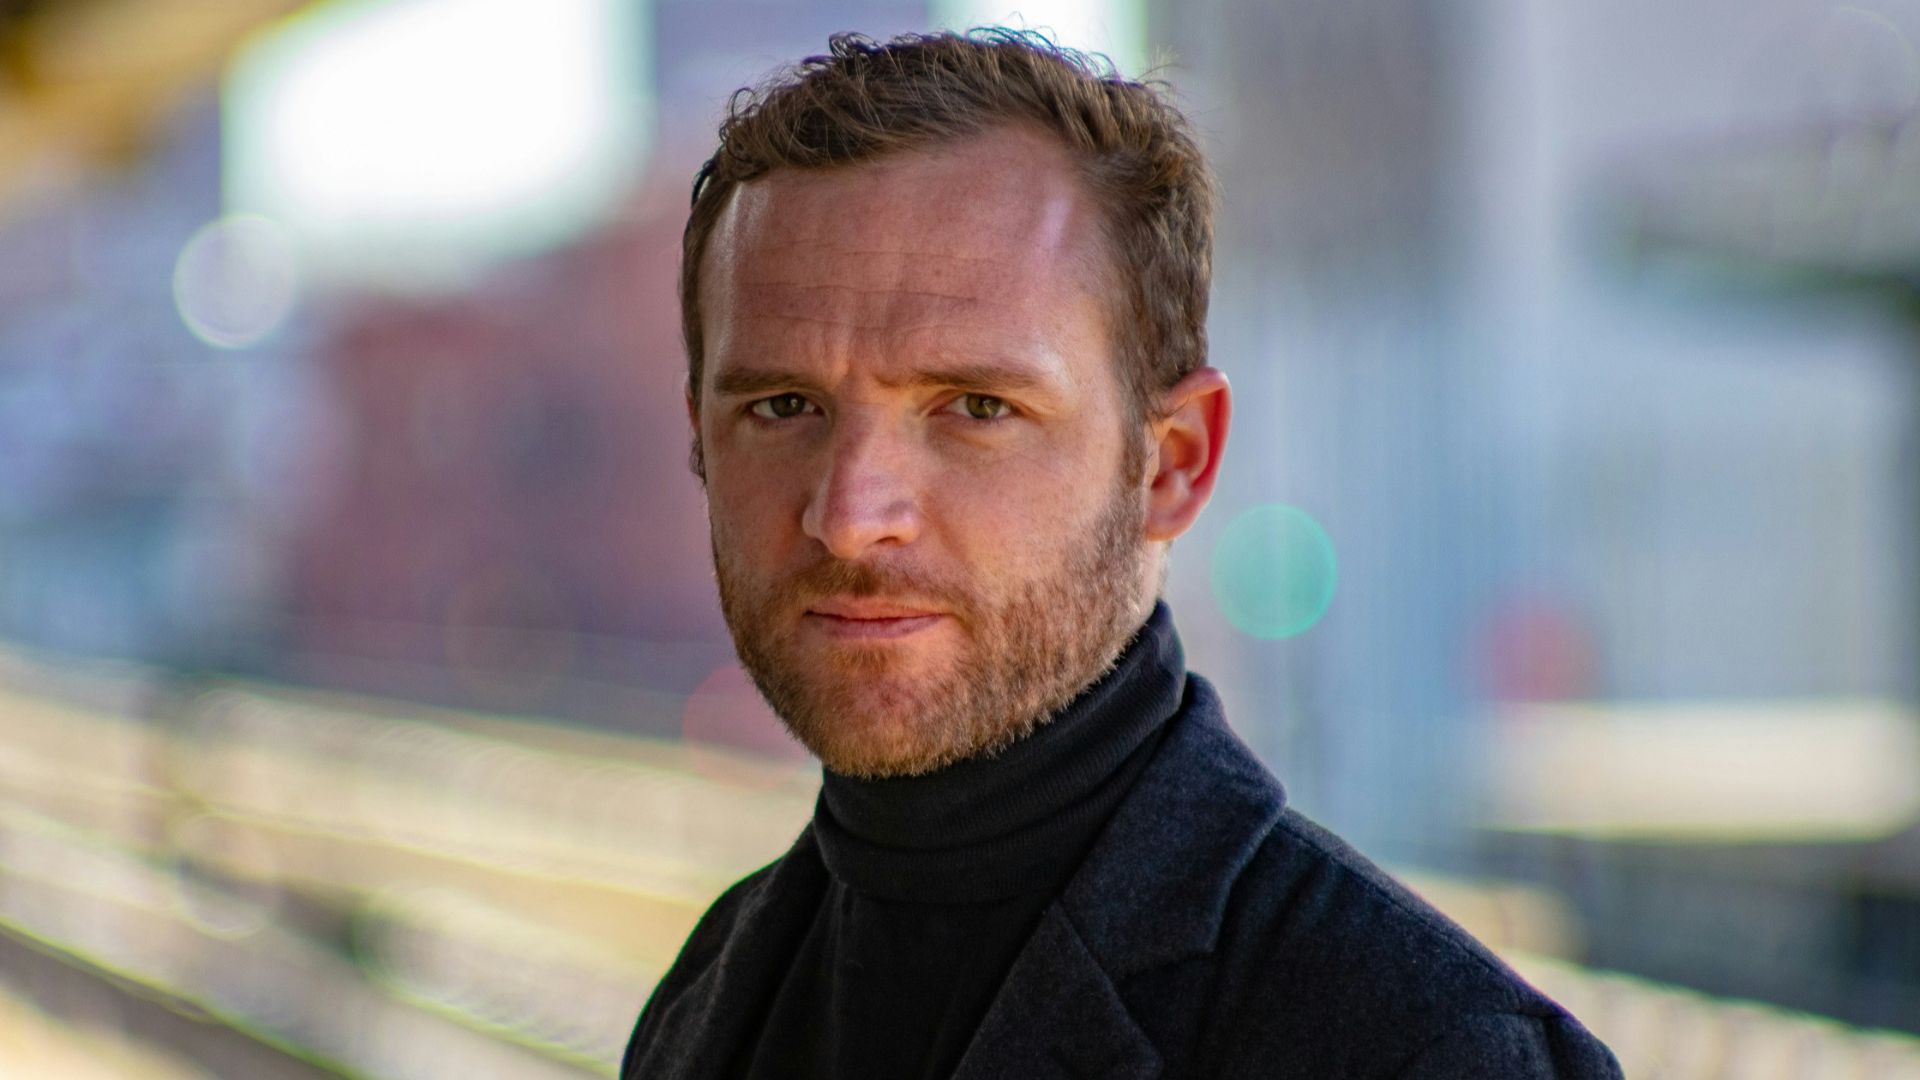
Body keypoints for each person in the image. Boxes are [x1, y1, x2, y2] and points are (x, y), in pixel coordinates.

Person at [623, 29, 1622, 1080]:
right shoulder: (709, 990)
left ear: (1172, 464)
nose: (850, 516)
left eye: (976, 407)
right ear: (700, 438)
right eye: (784, 407)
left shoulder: (1429, 1050)